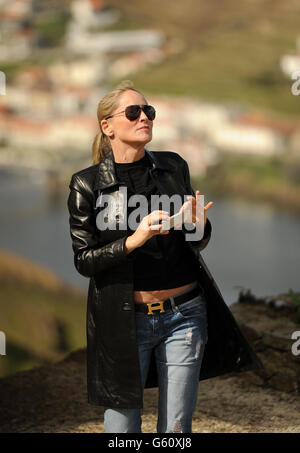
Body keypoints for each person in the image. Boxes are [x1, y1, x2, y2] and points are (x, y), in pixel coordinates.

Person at [67, 80, 263, 433]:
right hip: (125, 321)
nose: (145, 117)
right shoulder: (87, 184)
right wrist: (133, 240)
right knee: (123, 428)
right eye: (133, 111)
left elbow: (194, 242)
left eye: (148, 111)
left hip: (185, 314)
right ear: (107, 126)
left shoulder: (173, 167)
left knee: (176, 429)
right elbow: (84, 260)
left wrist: (200, 226)